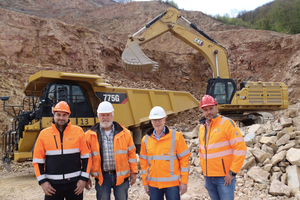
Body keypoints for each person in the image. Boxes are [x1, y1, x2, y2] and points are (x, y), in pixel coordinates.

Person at [32, 101, 92, 200]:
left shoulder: (78, 132)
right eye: (58, 115)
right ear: (53, 114)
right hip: (52, 186)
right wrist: (43, 182)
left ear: (68, 115)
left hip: (75, 185)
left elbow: (87, 157)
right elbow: (38, 161)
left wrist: (83, 179)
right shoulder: (44, 134)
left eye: (64, 115)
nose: (61, 118)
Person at [85, 101, 138, 200]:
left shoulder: (124, 133)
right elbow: (86, 158)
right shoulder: (89, 135)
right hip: (102, 178)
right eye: (102, 115)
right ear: (98, 116)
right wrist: (86, 176)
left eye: (108, 115)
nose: (105, 118)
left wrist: (133, 172)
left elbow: (131, 154)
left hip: (121, 177)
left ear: (112, 115)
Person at [198, 95, 247, 200]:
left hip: (224, 177)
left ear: (216, 107)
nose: (208, 112)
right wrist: (204, 170)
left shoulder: (227, 123)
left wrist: (232, 172)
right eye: (205, 110)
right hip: (208, 177)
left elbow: (241, 147)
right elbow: (202, 151)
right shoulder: (202, 127)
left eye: (211, 108)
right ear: (202, 111)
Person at [140, 106, 191, 200]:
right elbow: (144, 163)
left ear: (164, 119)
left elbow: (184, 160)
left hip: (172, 185)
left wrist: (184, 181)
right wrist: (145, 182)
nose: (157, 122)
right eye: (154, 120)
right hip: (153, 185)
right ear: (151, 121)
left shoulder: (176, 137)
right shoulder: (145, 140)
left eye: (159, 119)